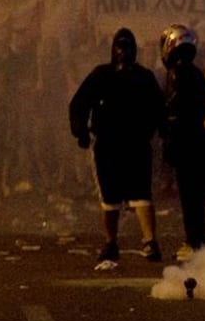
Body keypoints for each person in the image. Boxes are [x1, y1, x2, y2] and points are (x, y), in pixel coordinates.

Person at [69, 28, 165, 262]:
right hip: (107, 146)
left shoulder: (144, 77)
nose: (124, 52)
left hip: (137, 145)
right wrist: (80, 131)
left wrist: (161, 133)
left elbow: (159, 108)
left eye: (128, 46)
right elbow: (78, 104)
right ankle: (111, 242)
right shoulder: (100, 75)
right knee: (110, 198)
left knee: (141, 193)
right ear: (113, 49)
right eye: (120, 46)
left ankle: (150, 241)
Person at [160, 24, 205, 260]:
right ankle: (197, 240)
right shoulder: (195, 73)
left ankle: (195, 242)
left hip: (185, 142)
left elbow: (174, 109)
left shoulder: (178, 74)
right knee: (194, 196)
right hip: (198, 141)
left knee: (190, 195)